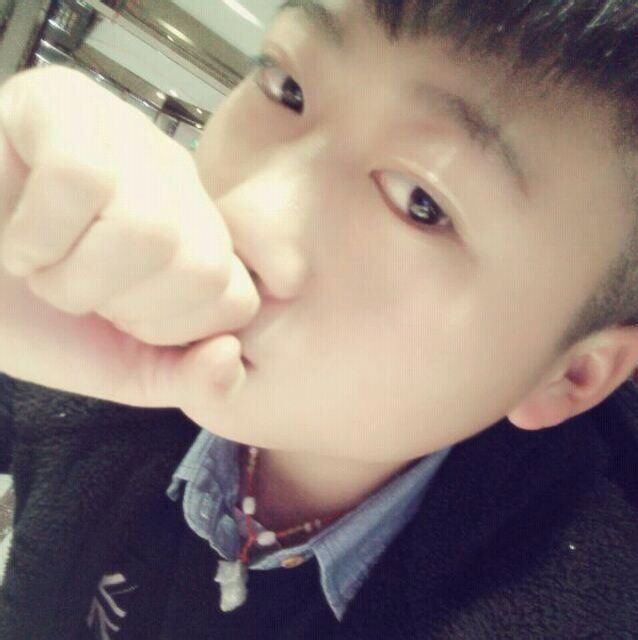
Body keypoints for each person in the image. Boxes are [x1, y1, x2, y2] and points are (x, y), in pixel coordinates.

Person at [0, 0, 637, 637]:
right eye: (288, 88)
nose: (245, 213)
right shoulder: (110, 318)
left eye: (421, 204)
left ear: (572, 375)